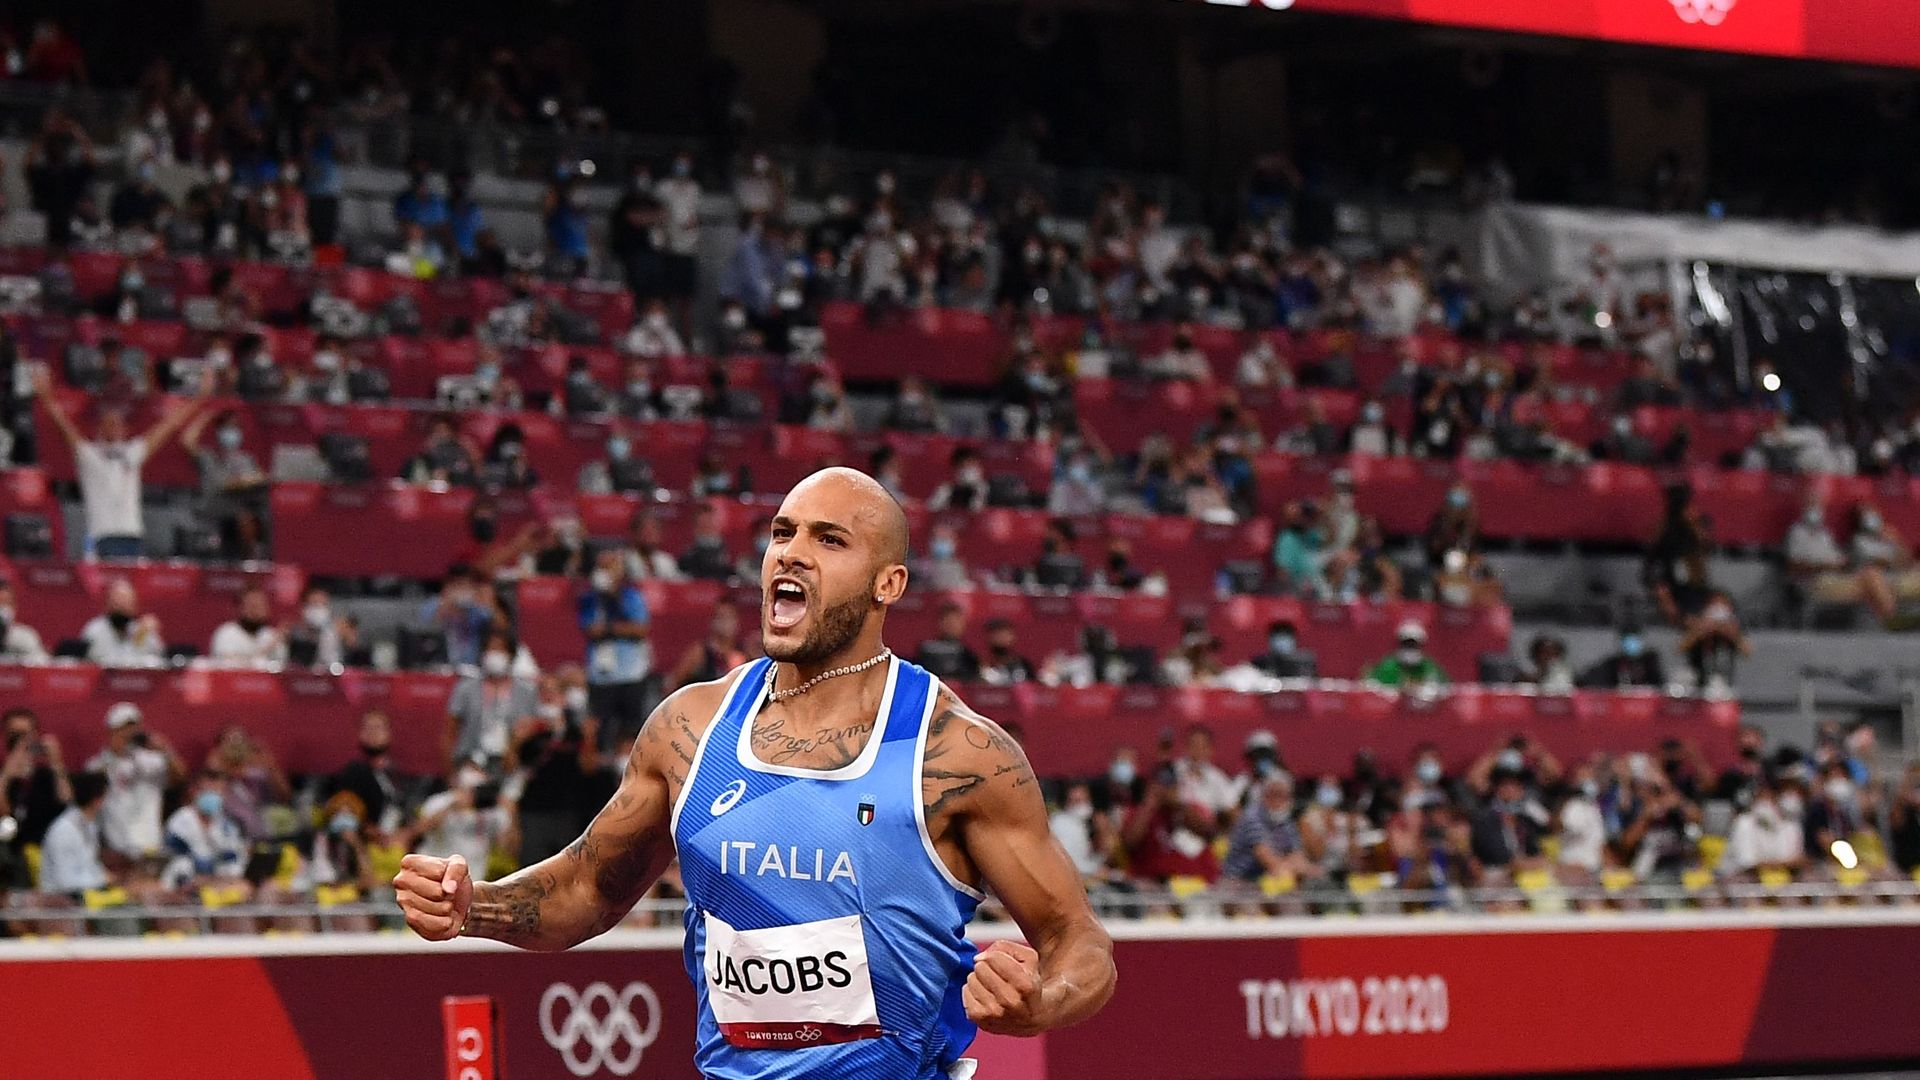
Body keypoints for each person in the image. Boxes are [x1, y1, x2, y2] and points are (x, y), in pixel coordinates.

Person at [395, 467, 1116, 1076]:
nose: (791, 554)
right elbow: (587, 888)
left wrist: (1039, 1005)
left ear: (887, 583)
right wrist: (472, 908)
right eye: (782, 533)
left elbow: (1079, 943)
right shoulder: (689, 728)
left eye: (829, 540)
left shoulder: (956, 755)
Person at [35, 369, 203, 558]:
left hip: (132, 536)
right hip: (101, 537)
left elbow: (168, 426)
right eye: (109, 423)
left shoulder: (132, 452)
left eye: (118, 423)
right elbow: (63, 427)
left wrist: (199, 398)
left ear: (125, 429)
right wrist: (46, 399)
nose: (114, 428)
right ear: (100, 428)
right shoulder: (89, 455)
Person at [86, 702, 184, 860]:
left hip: (150, 845)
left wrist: (166, 749)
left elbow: (180, 777)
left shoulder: (150, 759)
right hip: (118, 848)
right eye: (123, 728)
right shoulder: (97, 765)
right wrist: (116, 754)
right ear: (111, 731)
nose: (128, 733)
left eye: (132, 727)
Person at [580, 548, 654, 750]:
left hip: (631, 675)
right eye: (600, 567)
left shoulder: (631, 597)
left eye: (608, 568)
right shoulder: (589, 599)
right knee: (601, 735)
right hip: (601, 677)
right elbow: (591, 629)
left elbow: (640, 628)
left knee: (631, 731)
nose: (603, 573)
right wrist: (620, 629)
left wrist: (610, 626)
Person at [446, 629, 539, 774]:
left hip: (514, 764)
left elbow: (534, 728)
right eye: (490, 649)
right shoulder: (466, 689)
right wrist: (451, 774)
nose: (494, 654)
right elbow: (449, 733)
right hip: (472, 763)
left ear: (511, 655)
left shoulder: (527, 691)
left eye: (500, 649)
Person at [2, 707, 72, 857]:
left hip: (46, 853)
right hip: (11, 855)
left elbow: (67, 803)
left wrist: (56, 763)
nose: (20, 741)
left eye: (25, 734)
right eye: (14, 735)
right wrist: (6, 776)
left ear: (35, 735)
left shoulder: (46, 775)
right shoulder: (3, 774)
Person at [161, 770, 248, 888]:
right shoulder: (179, 822)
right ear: (194, 792)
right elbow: (178, 864)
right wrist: (209, 879)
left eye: (217, 792)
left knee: (244, 887)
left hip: (220, 883)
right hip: (185, 885)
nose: (213, 796)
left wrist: (225, 878)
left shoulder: (227, 826)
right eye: (208, 792)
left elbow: (234, 861)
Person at [36, 770, 110, 894]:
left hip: (86, 894)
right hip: (61, 901)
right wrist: (102, 879)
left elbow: (89, 867)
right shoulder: (63, 831)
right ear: (97, 801)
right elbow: (66, 882)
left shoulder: (89, 826)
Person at [79, 578, 166, 667]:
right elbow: (99, 661)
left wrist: (142, 634)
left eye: (127, 602)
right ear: (107, 604)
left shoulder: (140, 629)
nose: (122, 606)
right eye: (117, 601)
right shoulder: (95, 630)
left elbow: (158, 659)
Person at [668, 606, 750, 692]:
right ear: (712, 621)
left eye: (730, 618)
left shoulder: (741, 655)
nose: (726, 623)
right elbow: (673, 683)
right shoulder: (699, 653)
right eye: (721, 617)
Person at [208, 585, 287, 667]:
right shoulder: (226, 634)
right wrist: (267, 648)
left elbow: (281, 666)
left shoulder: (270, 635)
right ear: (239, 608)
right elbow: (230, 666)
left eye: (261, 606)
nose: (257, 612)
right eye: (253, 606)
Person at [1580, 624, 1666, 689]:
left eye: (1635, 640)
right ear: (1621, 643)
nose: (1632, 645)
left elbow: (1660, 686)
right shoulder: (1613, 664)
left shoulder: (1649, 663)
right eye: (1628, 641)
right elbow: (1587, 679)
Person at [1364, 622, 1447, 688]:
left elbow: (1445, 687)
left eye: (1414, 645)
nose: (1410, 648)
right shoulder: (1387, 666)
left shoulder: (1429, 666)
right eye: (1406, 644)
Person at [914, 601, 981, 682]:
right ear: (940, 623)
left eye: (956, 621)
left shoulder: (970, 657)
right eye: (948, 620)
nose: (952, 625)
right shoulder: (926, 652)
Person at [0, 576, 50, 663]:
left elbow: (42, 662)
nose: (3, 608)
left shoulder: (25, 636)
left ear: (14, 605)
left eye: (6, 603)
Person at [978, 619, 1036, 686]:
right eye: (996, 634)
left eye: (1004, 634)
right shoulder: (981, 666)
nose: (1000, 638)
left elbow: (1033, 688)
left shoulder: (1023, 665)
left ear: (1012, 637)